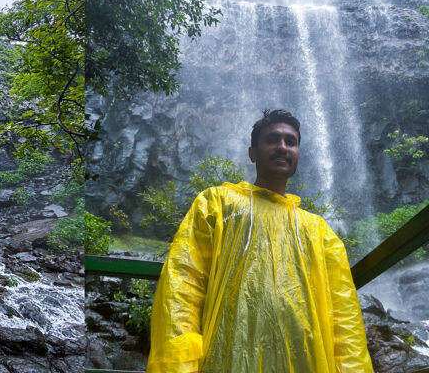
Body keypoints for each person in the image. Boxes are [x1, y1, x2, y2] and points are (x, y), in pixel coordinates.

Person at [146, 109, 373, 373]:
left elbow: (344, 316)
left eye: (291, 141)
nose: (282, 146)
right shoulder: (217, 204)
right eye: (272, 139)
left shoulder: (320, 231)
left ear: (298, 154)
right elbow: (183, 287)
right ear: (252, 152)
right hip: (226, 359)